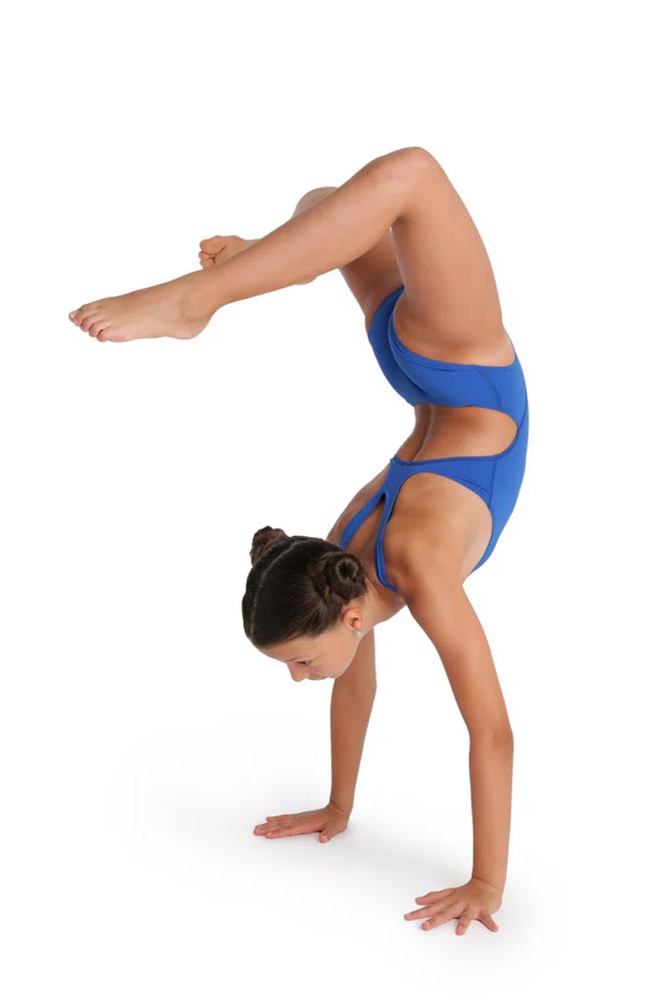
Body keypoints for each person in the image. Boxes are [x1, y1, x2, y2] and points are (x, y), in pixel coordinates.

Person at [67, 146, 529, 936]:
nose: (302, 679)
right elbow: (356, 682)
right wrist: (338, 805)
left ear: (346, 615)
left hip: (465, 368)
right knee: (333, 201)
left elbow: (492, 731)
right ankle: (271, 260)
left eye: (300, 663)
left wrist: (487, 882)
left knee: (405, 176)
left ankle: (200, 299)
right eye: (297, 668)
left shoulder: (400, 568)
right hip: (419, 365)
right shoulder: (341, 557)